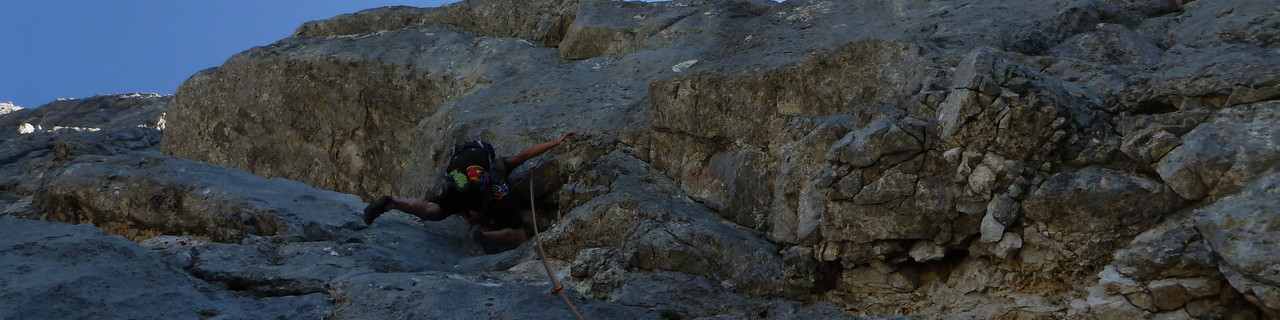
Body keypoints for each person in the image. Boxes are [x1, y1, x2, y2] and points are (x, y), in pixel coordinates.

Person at [362, 132, 576, 253]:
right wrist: (556, 142)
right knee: (520, 235)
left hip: (457, 191)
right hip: (492, 195)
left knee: (430, 209)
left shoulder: (458, 175)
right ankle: (485, 236)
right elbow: (525, 155)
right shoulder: (499, 165)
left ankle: (392, 203)